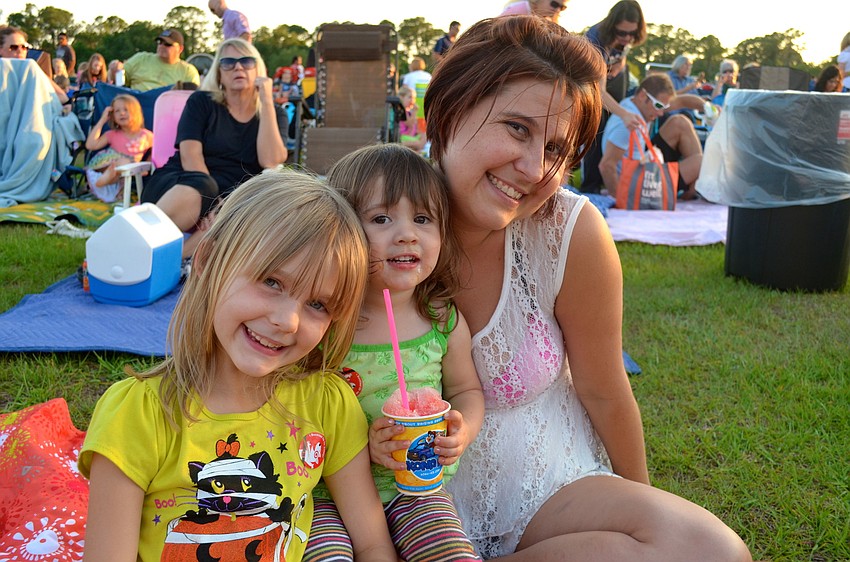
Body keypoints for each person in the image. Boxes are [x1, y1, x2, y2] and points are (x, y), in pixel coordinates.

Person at [424, 16, 752, 560]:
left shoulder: (566, 231)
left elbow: (603, 389)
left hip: (545, 488)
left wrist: (644, 513)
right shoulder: (371, 214)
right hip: (402, 505)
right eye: (517, 128)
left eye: (556, 150)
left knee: (708, 550)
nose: (532, 168)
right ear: (451, 107)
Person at [79, 169, 398, 562]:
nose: (289, 321)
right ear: (210, 259)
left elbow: (371, 544)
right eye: (272, 281)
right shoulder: (137, 414)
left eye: (318, 304)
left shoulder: (328, 406)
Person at [304, 143, 485, 561]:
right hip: (325, 490)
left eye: (423, 219)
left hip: (417, 489)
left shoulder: (441, 319)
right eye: (381, 218)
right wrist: (358, 446)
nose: (406, 233)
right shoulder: (325, 321)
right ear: (343, 229)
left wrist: (463, 430)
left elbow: (467, 390)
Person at [140, 37, 287, 259]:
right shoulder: (202, 102)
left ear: (258, 69)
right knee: (207, 192)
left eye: (246, 61)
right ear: (219, 73)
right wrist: (213, 204)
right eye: (228, 62)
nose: (238, 67)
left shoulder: (274, 114)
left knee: (238, 212)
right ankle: (142, 245)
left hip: (234, 199)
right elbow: (190, 155)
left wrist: (266, 101)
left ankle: (174, 260)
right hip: (183, 180)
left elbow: (271, 160)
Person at [600, 73, 704, 200]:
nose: (661, 113)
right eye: (659, 106)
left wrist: (709, 108)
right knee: (701, 161)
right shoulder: (628, 124)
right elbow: (606, 165)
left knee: (680, 122)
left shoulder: (636, 103)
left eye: (664, 107)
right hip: (640, 187)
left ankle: (693, 189)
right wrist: (620, 202)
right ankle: (693, 190)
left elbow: (682, 101)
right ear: (643, 95)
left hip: (642, 169)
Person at [580, 0, 647, 194]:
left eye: (632, 33)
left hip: (612, 78)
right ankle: (590, 186)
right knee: (597, 125)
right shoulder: (596, 39)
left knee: (614, 122)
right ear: (612, 27)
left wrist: (620, 64)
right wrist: (624, 114)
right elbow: (598, 92)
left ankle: (607, 181)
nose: (627, 38)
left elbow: (624, 50)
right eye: (622, 33)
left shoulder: (626, 38)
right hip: (590, 87)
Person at [84, 93, 154, 202]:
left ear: (136, 113)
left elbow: (156, 152)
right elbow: (90, 145)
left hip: (125, 171)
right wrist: (102, 120)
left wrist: (148, 165)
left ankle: (110, 180)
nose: (122, 113)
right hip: (105, 164)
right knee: (123, 162)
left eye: (126, 110)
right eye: (117, 111)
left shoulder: (146, 136)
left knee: (126, 165)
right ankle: (105, 178)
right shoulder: (112, 134)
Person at [1, 25, 68, 104]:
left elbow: (62, 97)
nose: (20, 51)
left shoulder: (30, 69)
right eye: (14, 47)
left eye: (24, 47)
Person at [123, 28, 200, 92]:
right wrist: (114, 70)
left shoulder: (188, 71)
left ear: (180, 49)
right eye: (160, 42)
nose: (162, 46)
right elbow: (117, 80)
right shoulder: (140, 58)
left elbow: (192, 98)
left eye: (168, 44)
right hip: (137, 107)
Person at [401, 57, 431, 132]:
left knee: (412, 129)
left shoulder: (408, 76)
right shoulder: (428, 76)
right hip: (425, 106)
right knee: (423, 129)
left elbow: (404, 92)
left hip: (412, 105)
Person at [396, 85, 426, 152]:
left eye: (414, 98)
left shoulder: (409, 112)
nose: (412, 100)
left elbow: (415, 127)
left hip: (410, 136)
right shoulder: (402, 111)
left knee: (424, 135)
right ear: (401, 98)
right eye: (410, 97)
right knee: (419, 144)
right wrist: (415, 111)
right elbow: (410, 124)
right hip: (403, 138)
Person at [500, 0, 568, 23]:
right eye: (554, 4)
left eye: (562, 7)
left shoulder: (547, 20)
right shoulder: (520, 9)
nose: (558, 10)